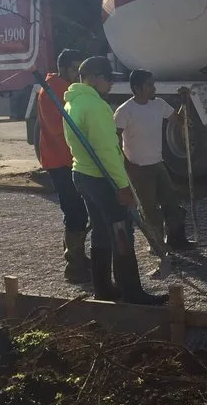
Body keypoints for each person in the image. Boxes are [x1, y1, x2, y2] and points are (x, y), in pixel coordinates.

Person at [63, 56, 166, 305]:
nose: (111, 84)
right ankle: (131, 290)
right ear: (95, 77)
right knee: (121, 232)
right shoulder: (96, 106)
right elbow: (107, 150)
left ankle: (103, 288)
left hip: (82, 174)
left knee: (100, 231)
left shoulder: (72, 103)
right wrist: (123, 186)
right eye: (108, 79)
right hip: (103, 179)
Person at [114, 69, 193, 254]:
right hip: (138, 168)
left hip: (158, 164)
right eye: (149, 84)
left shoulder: (159, 104)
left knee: (172, 204)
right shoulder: (125, 111)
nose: (153, 87)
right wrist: (126, 165)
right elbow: (114, 139)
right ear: (137, 88)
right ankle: (156, 244)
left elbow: (180, 120)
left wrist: (185, 101)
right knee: (149, 210)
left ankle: (176, 240)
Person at [37, 48, 90, 283]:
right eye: (75, 69)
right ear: (65, 68)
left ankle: (77, 255)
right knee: (74, 210)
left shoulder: (61, 89)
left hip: (67, 159)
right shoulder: (52, 92)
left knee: (79, 208)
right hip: (60, 161)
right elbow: (60, 130)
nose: (79, 74)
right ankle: (74, 265)